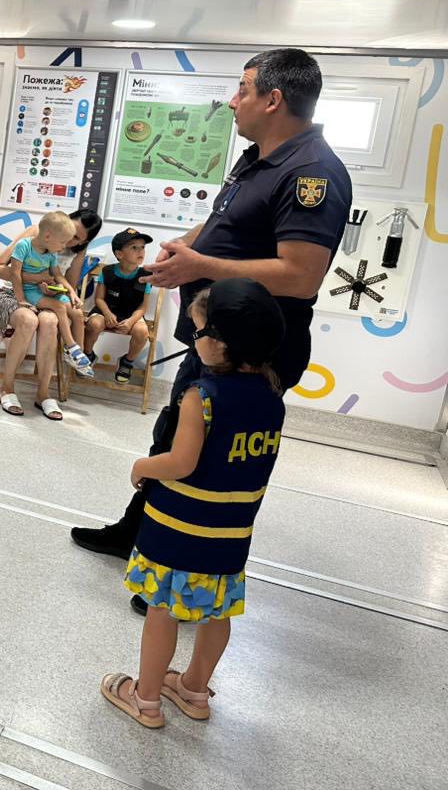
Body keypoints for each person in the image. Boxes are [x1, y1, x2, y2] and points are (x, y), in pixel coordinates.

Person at [71, 49, 353, 608]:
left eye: (243, 89)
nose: (231, 101)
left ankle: (183, 575)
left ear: (273, 99)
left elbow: (300, 276)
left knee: (211, 462)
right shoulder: (258, 159)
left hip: (251, 354)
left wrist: (203, 266)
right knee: (174, 436)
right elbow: (225, 220)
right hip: (212, 340)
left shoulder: (312, 173)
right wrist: (185, 245)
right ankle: (138, 536)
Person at [101, 279, 285, 728]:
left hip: (179, 529)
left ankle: (145, 700)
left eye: (198, 331)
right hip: (231, 533)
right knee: (218, 612)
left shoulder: (200, 397)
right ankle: (194, 689)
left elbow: (182, 462)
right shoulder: (272, 397)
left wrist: (143, 465)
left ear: (220, 343)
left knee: (161, 611)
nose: (194, 339)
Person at [0, 207, 102, 420]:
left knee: (50, 321)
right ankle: (7, 388)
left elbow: (65, 284)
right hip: (11, 293)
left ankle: (43, 393)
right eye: (70, 233)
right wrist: (34, 278)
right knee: (28, 320)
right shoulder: (35, 234)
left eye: (76, 239)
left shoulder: (70, 252)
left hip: (41, 297)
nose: (69, 241)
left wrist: (54, 289)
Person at [84, 228, 154, 383]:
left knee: (142, 331)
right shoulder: (107, 271)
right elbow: (99, 299)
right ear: (119, 254)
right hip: (106, 310)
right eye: (134, 247)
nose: (140, 251)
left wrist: (130, 321)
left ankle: (127, 362)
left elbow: (143, 307)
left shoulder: (145, 276)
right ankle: (88, 355)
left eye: (142, 247)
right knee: (94, 324)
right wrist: (107, 314)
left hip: (131, 314)